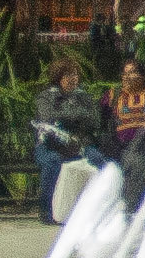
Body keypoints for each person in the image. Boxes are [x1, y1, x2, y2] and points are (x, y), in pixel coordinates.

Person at [30, 54, 110, 222]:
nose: (73, 79)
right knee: (51, 162)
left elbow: (94, 121)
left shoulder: (83, 97)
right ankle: (46, 210)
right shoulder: (46, 97)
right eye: (68, 75)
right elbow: (48, 117)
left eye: (75, 74)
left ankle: (102, 207)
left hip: (79, 143)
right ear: (58, 77)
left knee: (98, 160)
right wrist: (78, 116)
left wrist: (67, 118)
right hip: (50, 144)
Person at [110, 54, 145, 156]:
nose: (126, 77)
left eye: (131, 73)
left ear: (143, 76)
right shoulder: (114, 94)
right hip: (122, 149)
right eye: (124, 74)